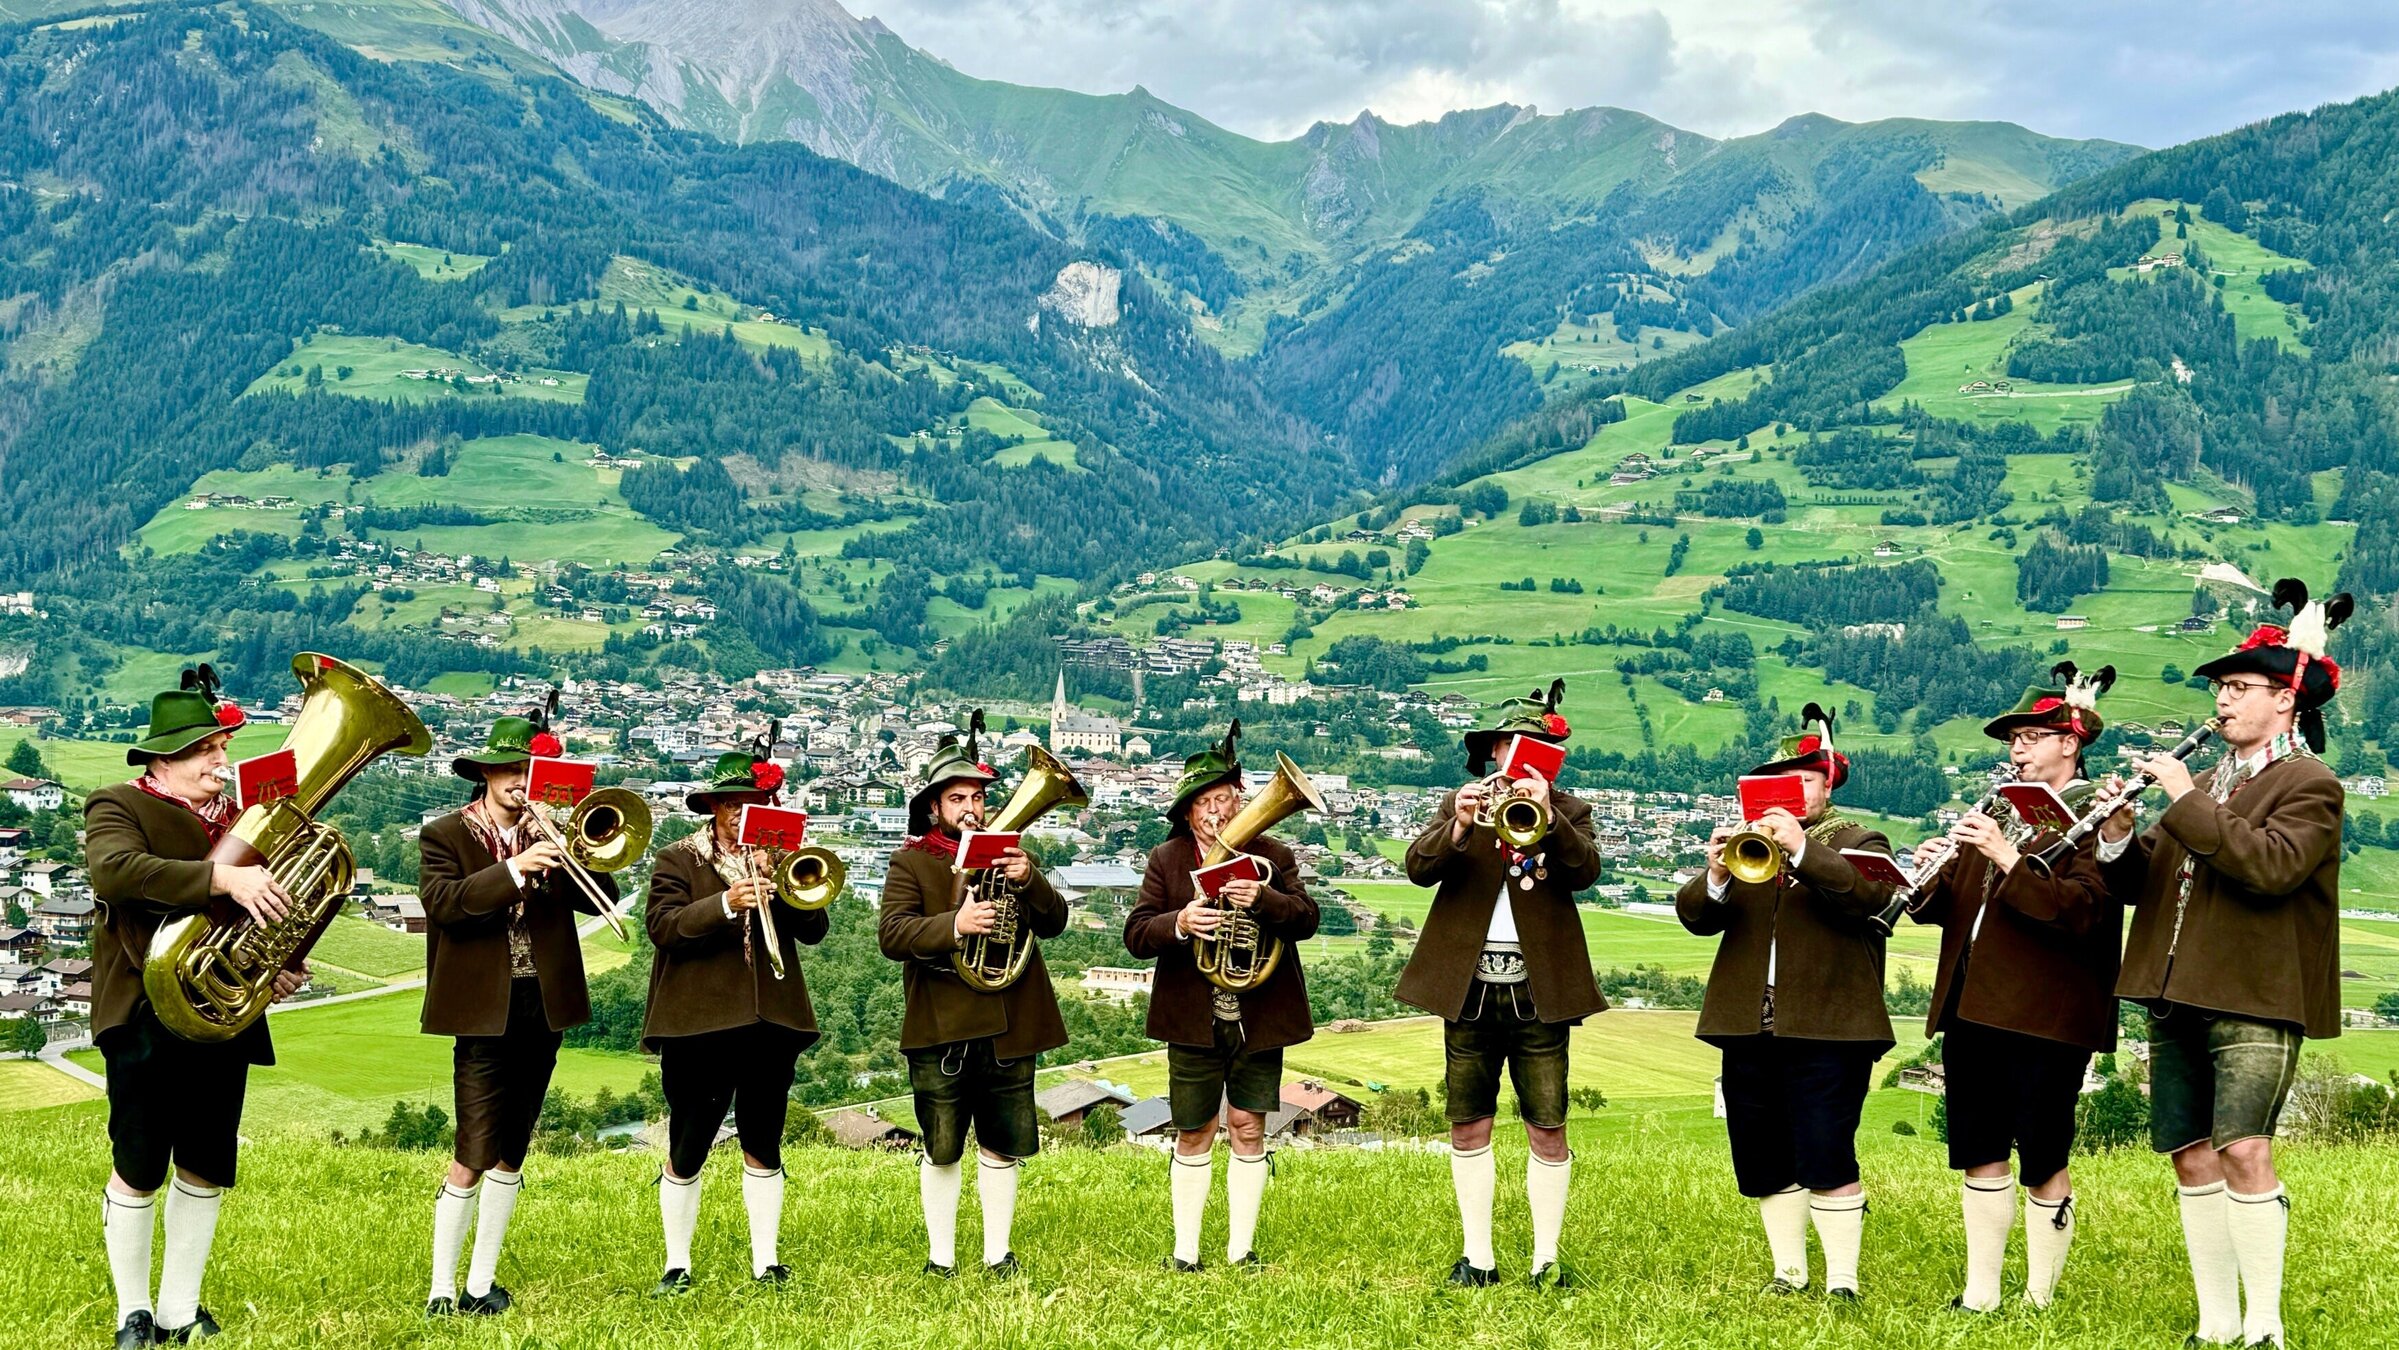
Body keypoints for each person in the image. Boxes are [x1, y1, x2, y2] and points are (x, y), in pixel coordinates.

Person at [2099, 580, 2349, 1350]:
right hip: (2175, 989)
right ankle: (2215, 1323)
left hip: (2255, 994)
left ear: (2285, 701)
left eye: (2238, 688)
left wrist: (2182, 801)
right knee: (2188, 1154)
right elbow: (2145, 882)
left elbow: (2270, 867)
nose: (2221, 700)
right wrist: (2116, 834)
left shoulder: (2311, 783)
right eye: (2220, 689)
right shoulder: (2206, 784)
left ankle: (2263, 1325)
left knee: (2242, 1146)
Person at [86, 670, 306, 1348]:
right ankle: (133, 1311)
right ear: (162, 760)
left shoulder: (248, 816)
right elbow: (115, 873)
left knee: (207, 1160)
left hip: (221, 1012)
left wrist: (279, 962)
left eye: (221, 748)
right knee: (139, 1161)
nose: (220, 760)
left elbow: (272, 904)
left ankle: (180, 1309)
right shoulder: (118, 803)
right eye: (204, 751)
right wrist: (221, 875)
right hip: (144, 1007)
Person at [1906, 665, 2120, 1312]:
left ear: (2070, 742)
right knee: (1978, 1149)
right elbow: (1953, 907)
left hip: (2046, 1015)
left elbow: (2083, 912)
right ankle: (1981, 1294)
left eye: (2030, 737)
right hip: (1972, 1005)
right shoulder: (2000, 808)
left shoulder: (2098, 814)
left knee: (2043, 1153)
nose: (2016, 749)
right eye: (2012, 740)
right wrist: (1925, 876)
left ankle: (2039, 1296)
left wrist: (2005, 857)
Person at [1677, 704, 1896, 1301]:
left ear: (1828, 784)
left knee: (1826, 1149)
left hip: (1830, 1026)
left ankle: (1843, 1281)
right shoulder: (1750, 843)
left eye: (1804, 780)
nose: (1792, 791)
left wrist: (1801, 849)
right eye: (1780, 782)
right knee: (1763, 1152)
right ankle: (1789, 1273)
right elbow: (1697, 919)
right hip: (1750, 1022)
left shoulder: (1860, 840)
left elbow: (1868, 898)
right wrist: (1716, 874)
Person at [1399, 681, 1602, 1288]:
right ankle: (1478, 1257)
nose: (1516, 756)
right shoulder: (1460, 804)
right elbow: (1418, 869)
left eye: (1532, 748)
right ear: (1493, 752)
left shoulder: (1571, 811)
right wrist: (1459, 826)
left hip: (1539, 989)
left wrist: (1550, 819)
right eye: (1509, 745)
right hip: (1469, 987)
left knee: (1548, 1124)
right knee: (1468, 1122)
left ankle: (1547, 1260)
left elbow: (1585, 871)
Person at [417, 703, 617, 1317]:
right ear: (485, 773)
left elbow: (602, 900)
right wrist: (513, 869)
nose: (519, 782)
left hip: (542, 1003)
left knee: (513, 1147)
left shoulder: (550, 833)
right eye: (510, 770)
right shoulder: (445, 834)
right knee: (472, 1149)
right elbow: (443, 903)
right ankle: (440, 1290)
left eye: (530, 772)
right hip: (483, 1007)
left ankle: (481, 1284)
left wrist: (571, 846)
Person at [1124, 723, 1319, 1271]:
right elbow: (1136, 935)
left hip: (1259, 1014)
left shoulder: (1273, 854)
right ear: (1188, 813)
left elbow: (1306, 919)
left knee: (1248, 1125)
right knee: (1194, 1129)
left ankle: (1241, 1250)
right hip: (1192, 1016)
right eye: (1204, 803)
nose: (1216, 811)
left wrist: (1264, 898)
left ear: (1241, 800)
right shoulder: (1167, 859)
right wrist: (1180, 922)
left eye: (1225, 799)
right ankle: (1185, 1252)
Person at [877, 715, 1067, 1278]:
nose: (971, 809)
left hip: (1010, 1020)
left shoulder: (1011, 857)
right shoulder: (911, 862)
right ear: (934, 807)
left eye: (978, 798)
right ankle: (941, 1258)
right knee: (942, 1145)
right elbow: (892, 935)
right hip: (943, 1025)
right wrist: (956, 925)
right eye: (957, 798)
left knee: (1002, 1143)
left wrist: (1028, 878)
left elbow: (1054, 922)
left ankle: (997, 1253)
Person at [643, 732, 827, 1294]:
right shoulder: (678, 859)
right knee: (689, 1141)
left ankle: (766, 1262)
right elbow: (663, 928)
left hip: (768, 1024)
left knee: (763, 1139)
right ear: (715, 808)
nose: (743, 815)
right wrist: (725, 902)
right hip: (697, 1024)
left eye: (755, 806)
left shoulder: (780, 860)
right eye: (733, 806)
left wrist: (781, 883)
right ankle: (677, 1264)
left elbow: (815, 929)